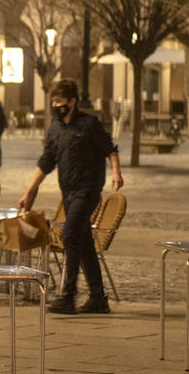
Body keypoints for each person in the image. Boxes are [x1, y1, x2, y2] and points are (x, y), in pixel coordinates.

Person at [19, 79, 123, 315]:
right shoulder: (55, 129)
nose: (56, 105)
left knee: (70, 235)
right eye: (53, 101)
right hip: (68, 191)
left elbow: (110, 149)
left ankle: (68, 294)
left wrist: (116, 173)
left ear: (73, 102)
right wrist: (29, 190)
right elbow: (46, 161)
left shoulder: (89, 125)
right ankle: (98, 298)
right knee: (84, 243)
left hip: (87, 190)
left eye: (60, 101)